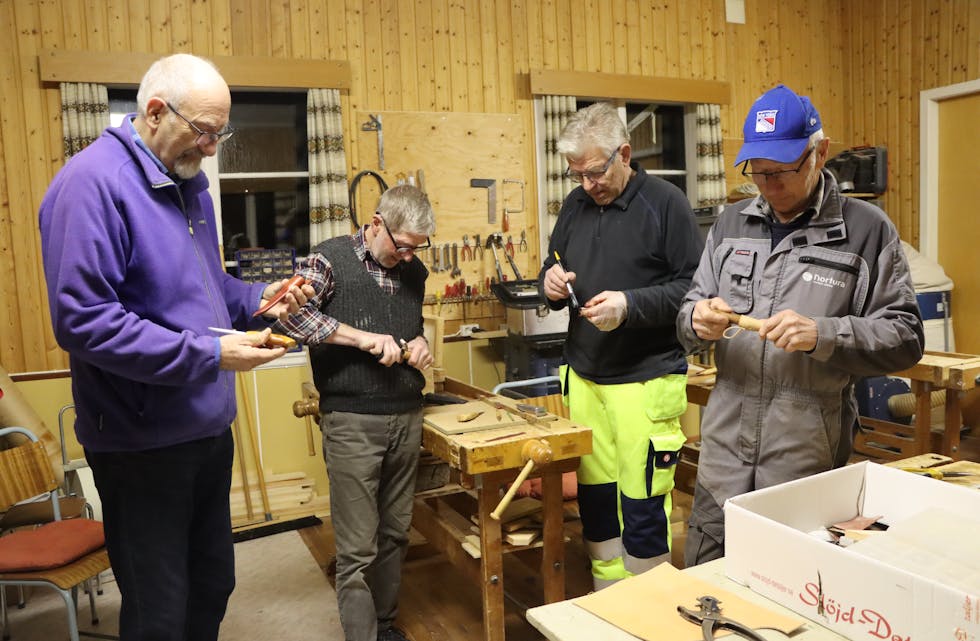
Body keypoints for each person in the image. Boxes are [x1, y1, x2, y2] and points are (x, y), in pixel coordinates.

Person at [39, 53, 311, 641]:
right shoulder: (91, 185)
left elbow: (206, 293)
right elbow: (84, 321)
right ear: (155, 112)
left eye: (221, 132)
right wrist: (210, 356)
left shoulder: (188, 184)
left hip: (206, 431)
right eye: (205, 131)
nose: (213, 148)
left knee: (213, 585)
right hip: (141, 444)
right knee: (159, 610)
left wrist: (263, 297)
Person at [677, 84, 924, 566]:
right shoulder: (729, 225)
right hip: (721, 462)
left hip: (803, 469)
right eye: (759, 172)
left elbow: (906, 337)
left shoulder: (867, 230)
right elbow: (688, 310)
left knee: (790, 597)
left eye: (782, 171)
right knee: (703, 594)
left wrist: (824, 334)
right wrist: (697, 319)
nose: (769, 185)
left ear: (820, 152)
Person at [538, 102, 703, 590]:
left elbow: (693, 289)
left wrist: (630, 305)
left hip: (645, 379)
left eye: (594, 172)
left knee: (643, 501)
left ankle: (647, 606)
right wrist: (548, 282)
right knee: (595, 497)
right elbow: (556, 261)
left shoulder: (666, 203)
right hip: (585, 375)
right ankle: (607, 598)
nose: (587, 184)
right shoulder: (575, 204)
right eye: (576, 174)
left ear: (624, 153)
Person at [275, 184, 435, 641]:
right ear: (377, 223)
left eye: (416, 249)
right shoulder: (329, 260)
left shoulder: (414, 270)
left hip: (407, 414)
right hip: (352, 421)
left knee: (396, 535)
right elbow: (288, 316)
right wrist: (361, 338)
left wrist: (419, 342)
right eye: (402, 245)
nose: (407, 257)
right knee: (358, 548)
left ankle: (384, 626)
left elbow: (411, 324)